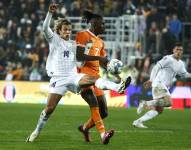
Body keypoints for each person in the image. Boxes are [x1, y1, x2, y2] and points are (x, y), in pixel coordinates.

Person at [26, 3, 130, 144]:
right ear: (59, 31)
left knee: (93, 79)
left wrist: (103, 63)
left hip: (73, 76)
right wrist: (50, 13)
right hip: (58, 79)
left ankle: (118, 87)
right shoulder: (54, 40)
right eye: (65, 30)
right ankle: (36, 131)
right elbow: (45, 28)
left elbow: (81, 61)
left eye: (69, 30)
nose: (68, 32)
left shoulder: (74, 45)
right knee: (49, 109)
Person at [75, 10, 131, 142]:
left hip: (97, 78)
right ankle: (103, 135)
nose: (104, 26)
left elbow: (104, 62)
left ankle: (85, 128)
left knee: (104, 112)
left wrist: (116, 73)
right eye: (102, 24)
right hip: (83, 77)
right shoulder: (83, 35)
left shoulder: (100, 42)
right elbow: (79, 56)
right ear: (94, 24)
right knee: (93, 103)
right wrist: (99, 57)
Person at [133, 42, 191, 128]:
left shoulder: (181, 64)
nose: (178, 51)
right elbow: (156, 67)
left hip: (162, 86)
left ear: (182, 52)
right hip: (159, 83)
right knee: (169, 102)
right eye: (177, 49)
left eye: (180, 50)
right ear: (173, 50)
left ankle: (138, 122)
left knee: (158, 110)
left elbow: (185, 74)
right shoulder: (168, 59)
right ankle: (145, 103)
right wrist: (151, 80)